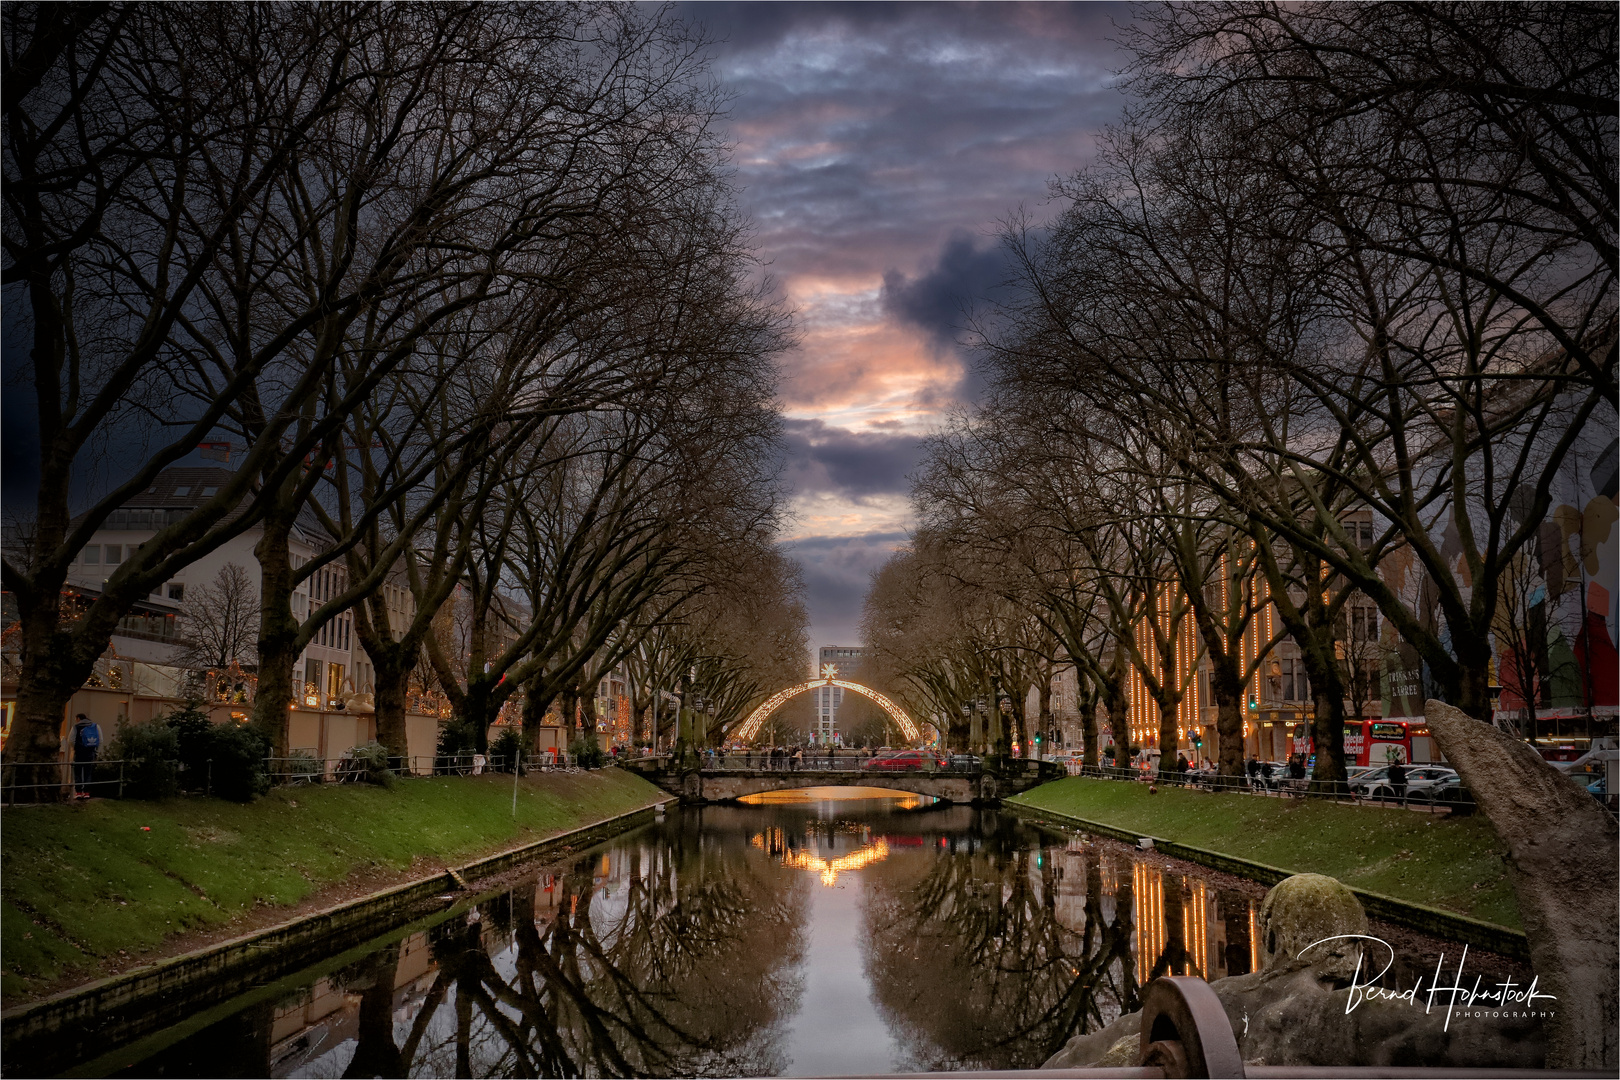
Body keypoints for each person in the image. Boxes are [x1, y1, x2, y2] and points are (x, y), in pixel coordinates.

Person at [70, 713, 100, 799]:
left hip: (79, 753)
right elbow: (100, 739)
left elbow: (71, 740)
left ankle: (78, 792)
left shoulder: (76, 727)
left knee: (78, 772)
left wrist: (75, 748)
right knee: (88, 772)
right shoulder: (95, 726)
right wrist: (95, 750)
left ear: (78, 718)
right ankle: (87, 793)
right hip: (90, 753)